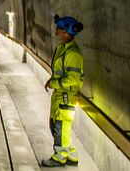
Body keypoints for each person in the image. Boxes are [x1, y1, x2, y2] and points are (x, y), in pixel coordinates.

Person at [41, 15, 84, 167]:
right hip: (60, 95)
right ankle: (71, 155)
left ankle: (59, 157)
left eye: (59, 28)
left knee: (60, 128)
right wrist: (53, 83)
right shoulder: (63, 49)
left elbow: (73, 79)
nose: (56, 31)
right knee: (58, 127)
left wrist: (54, 83)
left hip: (66, 96)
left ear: (66, 31)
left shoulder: (73, 54)